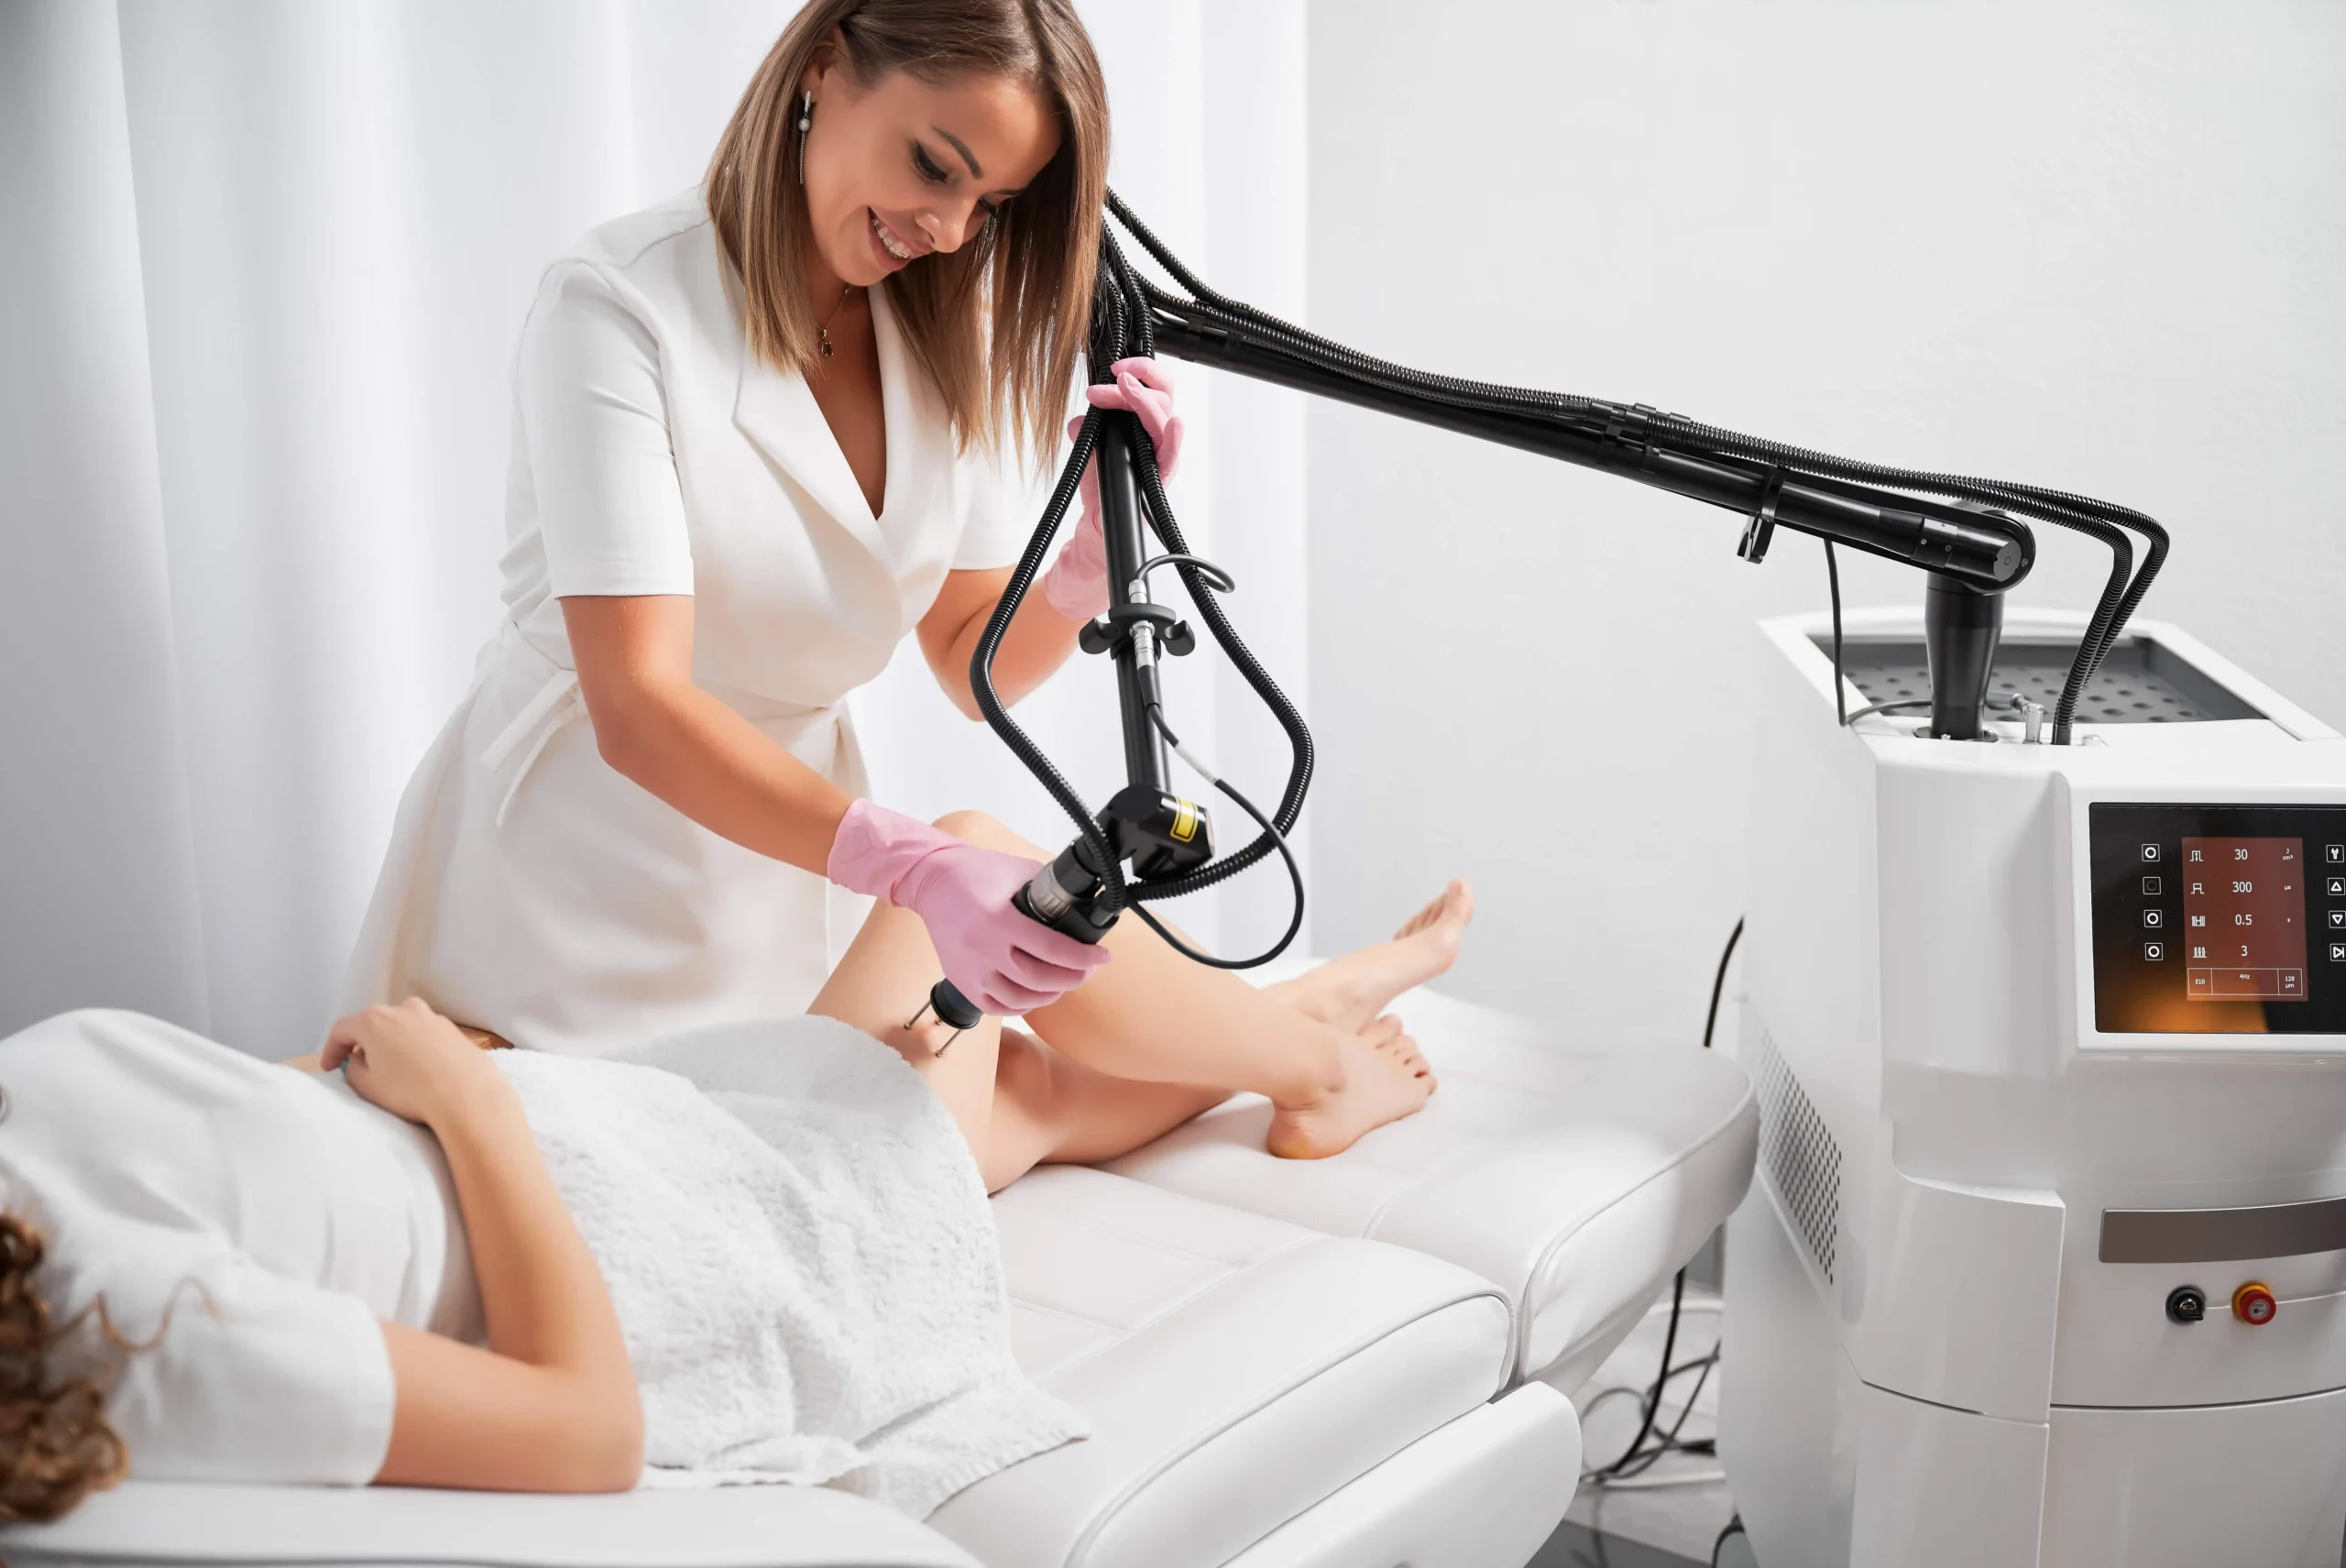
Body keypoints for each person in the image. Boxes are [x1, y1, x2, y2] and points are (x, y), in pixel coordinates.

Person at [338, 0, 1439, 1156]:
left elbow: (971, 655)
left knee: (978, 1100)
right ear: (825, 63)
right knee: (974, 1077)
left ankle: (1299, 1042)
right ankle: (1306, 1043)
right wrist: (917, 867)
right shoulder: (618, 308)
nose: (953, 230)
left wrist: (1081, 574)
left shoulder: (926, 332)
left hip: (775, 890)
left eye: (991, 205)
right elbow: (638, 707)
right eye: (935, 166)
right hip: (577, 896)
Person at [0, 876, 1468, 1520]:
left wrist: (401, 1078)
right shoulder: (116, 1324)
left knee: (1006, 1095)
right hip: (683, 1235)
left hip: (606, 1130)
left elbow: (215, 1138)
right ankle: (1309, 1052)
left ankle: (1300, 1011)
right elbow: (585, 1428)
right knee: (969, 883)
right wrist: (467, 1101)